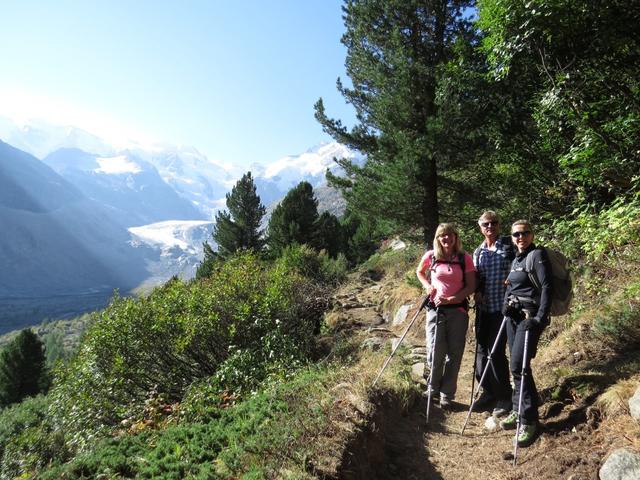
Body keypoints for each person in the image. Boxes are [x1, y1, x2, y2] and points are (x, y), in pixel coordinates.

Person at [499, 219, 552, 447]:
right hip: (513, 316)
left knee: (519, 367)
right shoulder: (516, 258)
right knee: (517, 365)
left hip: (529, 319)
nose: (521, 237)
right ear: (511, 237)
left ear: (532, 234)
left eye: (525, 233)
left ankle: (529, 420)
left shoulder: (537, 255)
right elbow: (512, 287)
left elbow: (547, 287)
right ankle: (517, 407)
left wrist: (540, 318)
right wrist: (505, 304)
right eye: (516, 234)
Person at [416, 223, 476, 409]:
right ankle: (432, 388)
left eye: (450, 235)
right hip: (435, 310)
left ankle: (446, 394)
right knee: (434, 351)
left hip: (458, 311)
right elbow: (419, 272)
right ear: (438, 238)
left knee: (454, 354)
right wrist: (427, 286)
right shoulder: (431, 256)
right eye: (442, 236)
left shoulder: (464, 258)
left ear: (456, 237)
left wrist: (453, 298)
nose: (446, 239)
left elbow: (471, 286)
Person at [472, 211, 514, 416]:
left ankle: (505, 396)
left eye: (494, 223)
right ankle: (488, 392)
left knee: (496, 352)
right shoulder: (478, 252)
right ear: (480, 227)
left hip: (503, 309)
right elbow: (476, 278)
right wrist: (476, 291)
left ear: (499, 225)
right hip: (483, 309)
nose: (490, 227)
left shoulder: (509, 247)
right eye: (486, 224)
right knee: (481, 352)